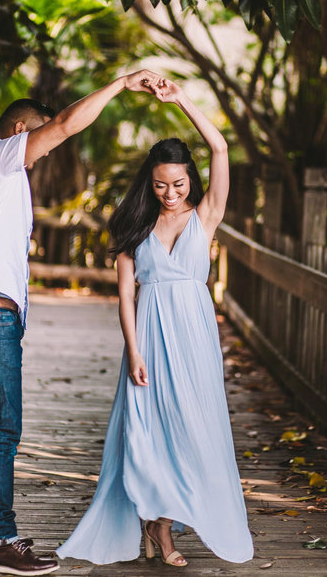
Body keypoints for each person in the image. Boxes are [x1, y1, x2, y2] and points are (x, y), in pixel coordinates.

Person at [0, 70, 164, 576]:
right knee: (3, 425)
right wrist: (121, 83)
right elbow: (65, 124)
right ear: (21, 130)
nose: (44, 153)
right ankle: (1, 540)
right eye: (39, 140)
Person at [55, 79, 253, 566]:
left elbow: (221, 146)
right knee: (149, 433)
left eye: (179, 183)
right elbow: (126, 296)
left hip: (195, 338)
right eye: (161, 184)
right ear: (150, 181)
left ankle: (162, 519)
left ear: (192, 181)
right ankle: (160, 532)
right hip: (147, 339)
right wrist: (134, 350)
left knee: (192, 430)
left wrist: (181, 98)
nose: (170, 193)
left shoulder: (205, 217)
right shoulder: (133, 227)